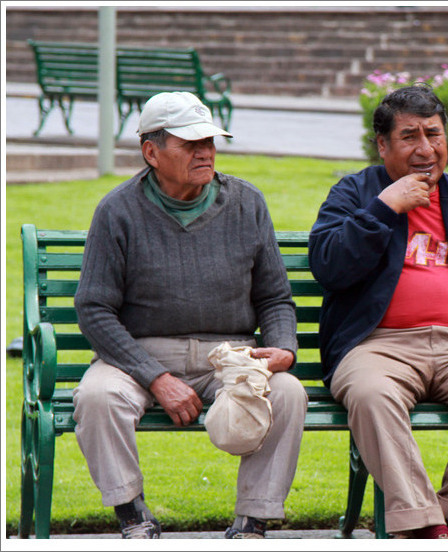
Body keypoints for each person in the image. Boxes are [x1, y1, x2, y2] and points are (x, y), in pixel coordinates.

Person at [73, 91, 307, 539]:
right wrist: (155, 376)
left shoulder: (246, 202)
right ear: (151, 152)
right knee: (98, 397)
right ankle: (133, 516)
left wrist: (282, 351)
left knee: (289, 393)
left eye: (210, 142)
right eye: (190, 143)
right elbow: (94, 309)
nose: (205, 152)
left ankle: (253, 522)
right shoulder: (117, 211)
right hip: (142, 355)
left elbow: (275, 297)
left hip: (232, 354)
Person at [308, 85, 448, 539]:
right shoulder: (356, 193)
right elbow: (329, 265)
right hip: (377, 346)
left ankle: (445, 516)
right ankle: (421, 527)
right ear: (383, 145)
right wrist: (385, 207)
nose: (425, 149)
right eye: (409, 136)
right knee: (373, 397)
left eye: (434, 134)